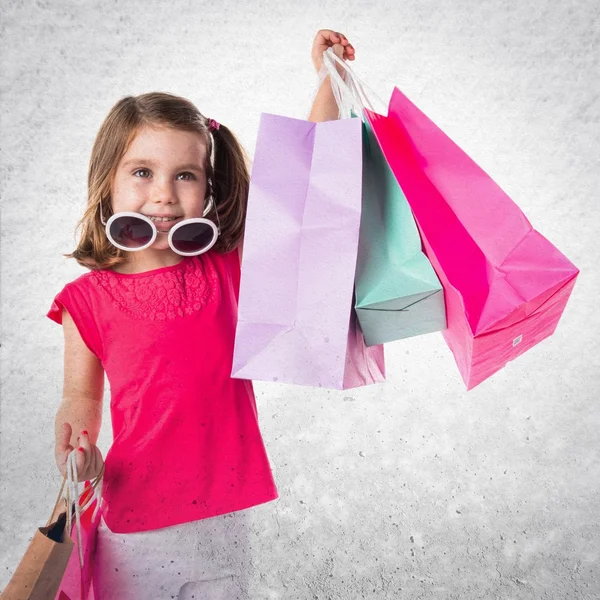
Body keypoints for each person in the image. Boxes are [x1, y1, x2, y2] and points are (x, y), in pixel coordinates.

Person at [47, 29, 356, 599]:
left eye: (184, 175)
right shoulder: (84, 300)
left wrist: (326, 81)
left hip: (224, 520)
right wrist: (80, 449)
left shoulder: (229, 269)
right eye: (142, 172)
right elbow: (82, 401)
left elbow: (298, 189)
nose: (163, 194)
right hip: (135, 530)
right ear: (107, 182)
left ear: (207, 189)